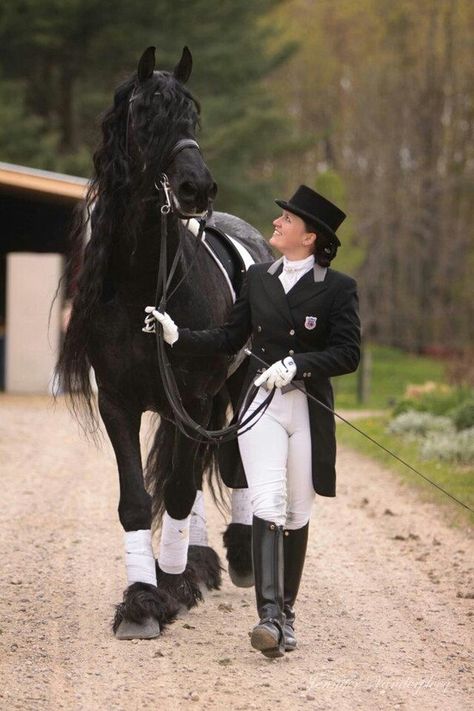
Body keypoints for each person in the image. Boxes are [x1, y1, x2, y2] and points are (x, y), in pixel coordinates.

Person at [146, 185, 361, 657]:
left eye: (288, 220)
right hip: (261, 405)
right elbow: (229, 336)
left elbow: (348, 353)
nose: (278, 223)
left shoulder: (339, 289)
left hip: (307, 408)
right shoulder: (259, 278)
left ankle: (286, 614)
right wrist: (179, 335)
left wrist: (299, 366)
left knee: (297, 511)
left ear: (310, 238)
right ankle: (267, 619)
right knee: (268, 498)